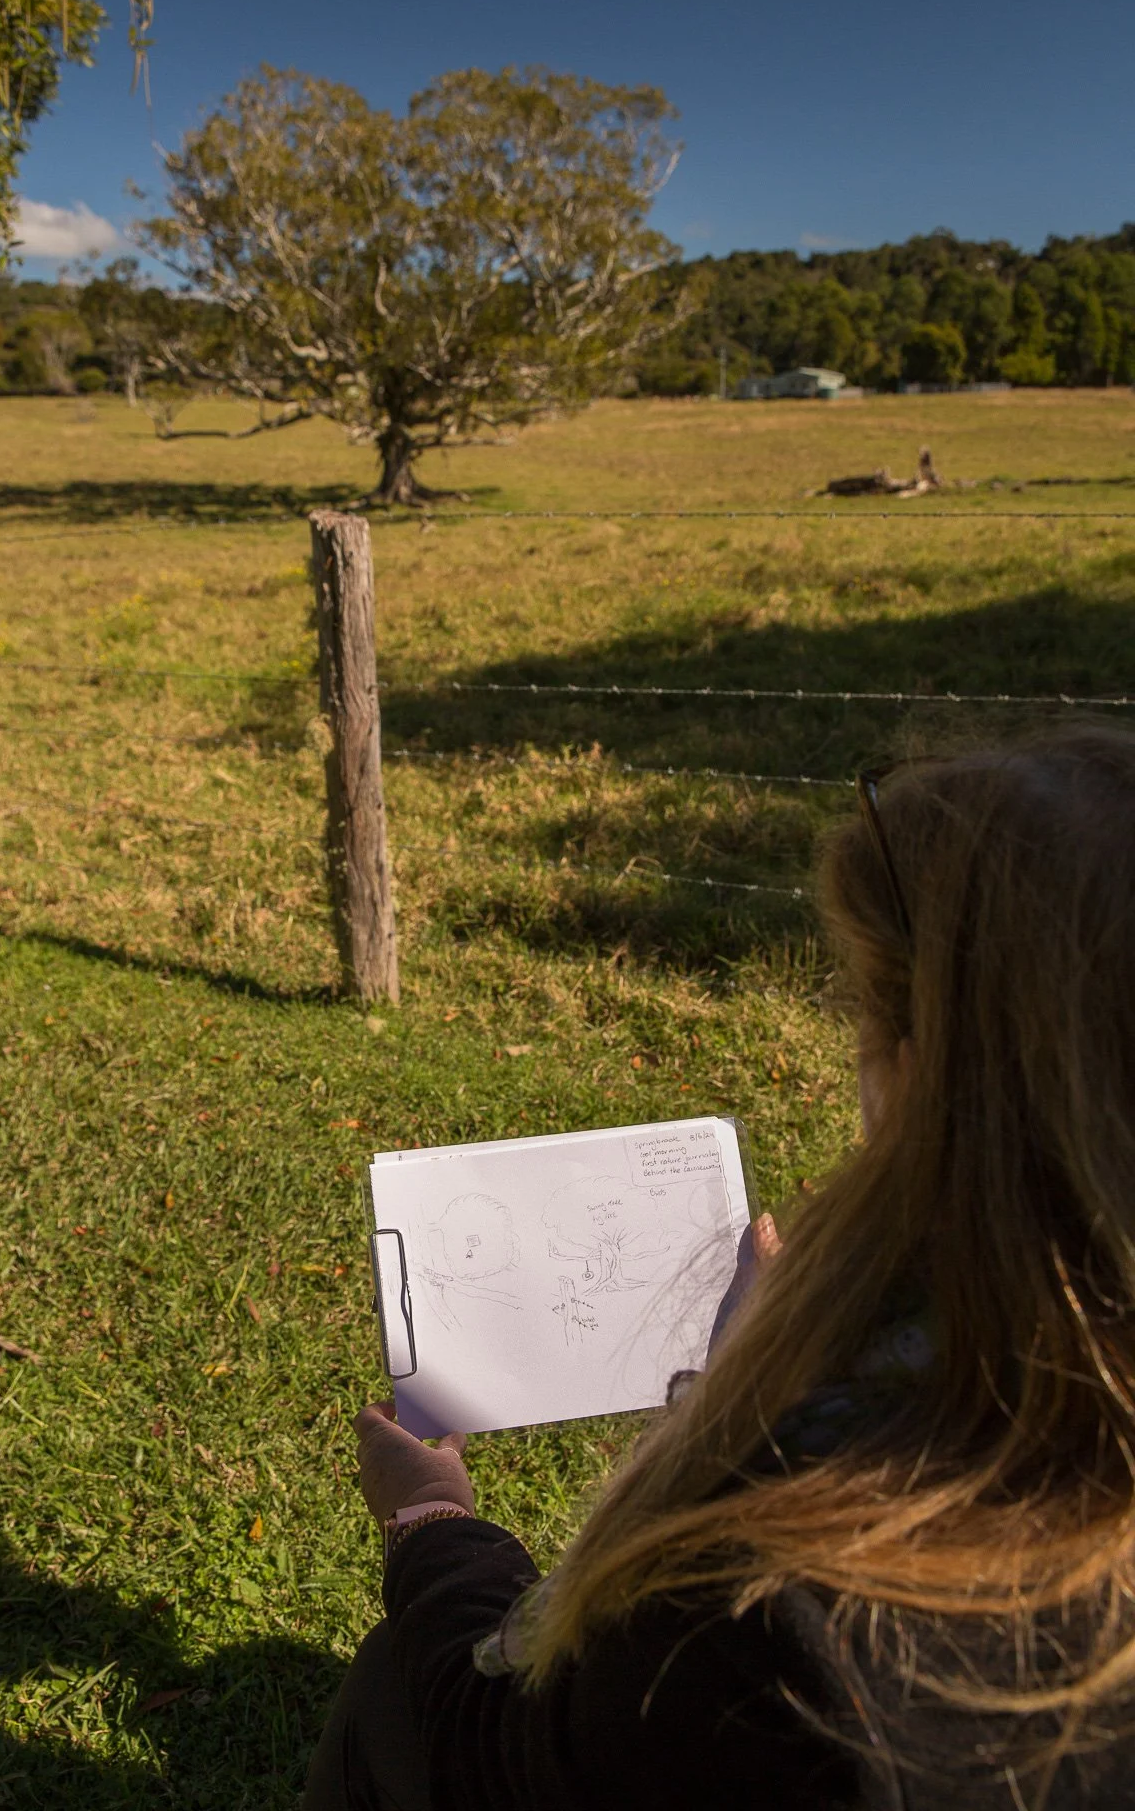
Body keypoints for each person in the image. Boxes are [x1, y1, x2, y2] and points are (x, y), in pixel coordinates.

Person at [305, 729, 1135, 1810]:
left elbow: (491, 1758)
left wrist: (432, 1528)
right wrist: (762, 1384)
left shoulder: (786, 1606)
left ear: (921, 1076)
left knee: (391, 1690)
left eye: (861, 1015)